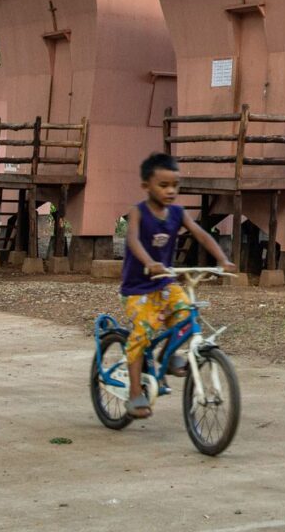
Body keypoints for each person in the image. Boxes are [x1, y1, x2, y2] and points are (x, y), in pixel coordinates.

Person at [120, 152, 232, 418]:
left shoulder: (179, 213)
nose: (171, 191)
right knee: (143, 333)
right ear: (146, 186)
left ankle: (167, 357)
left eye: (175, 185)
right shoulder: (138, 212)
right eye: (163, 185)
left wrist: (222, 259)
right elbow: (133, 240)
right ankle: (136, 392)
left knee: (184, 312)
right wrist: (150, 262)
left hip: (166, 283)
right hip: (138, 287)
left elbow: (201, 234)